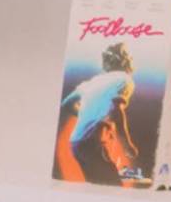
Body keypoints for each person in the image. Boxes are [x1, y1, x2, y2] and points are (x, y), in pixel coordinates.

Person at [58, 40, 142, 186]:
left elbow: (66, 104)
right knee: (112, 184)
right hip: (92, 142)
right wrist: (127, 144)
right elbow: (117, 111)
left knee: (97, 183)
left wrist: (88, 115)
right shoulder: (124, 79)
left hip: (76, 143)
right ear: (125, 60)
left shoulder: (91, 82)